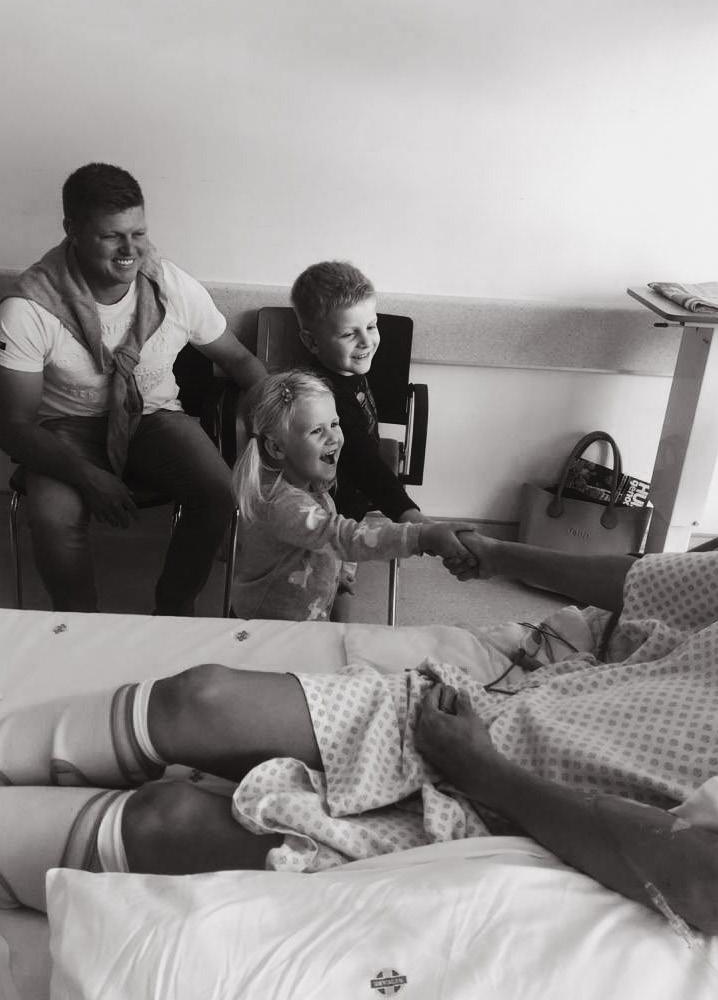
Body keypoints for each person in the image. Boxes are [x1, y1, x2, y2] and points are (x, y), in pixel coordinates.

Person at [1, 539, 718, 936]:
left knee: (167, 821)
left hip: (533, 832)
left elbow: (700, 880)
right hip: (490, 716)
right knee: (200, 699)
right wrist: (494, 554)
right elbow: (646, 581)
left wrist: (486, 774)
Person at [0, 162, 266, 615]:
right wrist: (88, 477)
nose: (131, 250)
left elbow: (239, 361)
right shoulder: (29, 307)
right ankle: (78, 623)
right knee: (51, 516)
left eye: (138, 233)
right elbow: (14, 427)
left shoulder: (170, 286)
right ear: (72, 230)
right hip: (65, 427)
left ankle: (173, 612)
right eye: (112, 236)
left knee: (217, 494)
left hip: (153, 416)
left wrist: (279, 418)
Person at [230, 369, 474, 620]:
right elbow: (343, 538)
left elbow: (318, 544)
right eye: (316, 431)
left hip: (302, 623)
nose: (333, 438)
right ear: (276, 447)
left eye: (334, 424)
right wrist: (421, 536)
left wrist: (333, 573)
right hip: (264, 629)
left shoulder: (313, 489)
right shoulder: (280, 504)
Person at [291, 261, 434, 613]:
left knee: (340, 582)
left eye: (371, 325)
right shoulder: (322, 397)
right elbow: (363, 462)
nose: (367, 341)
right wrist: (408, 515)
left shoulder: (348, 369)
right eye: (348, 334)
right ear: (311, 341)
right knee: (321, 590)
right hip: (327, 515)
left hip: (350, 506)